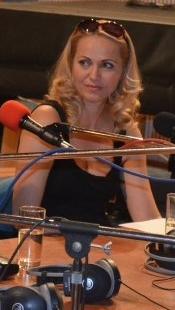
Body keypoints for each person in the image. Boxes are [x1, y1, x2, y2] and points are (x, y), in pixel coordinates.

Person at [12, 18, 160, 225]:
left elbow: (148, 220)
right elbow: (23, 218)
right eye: (84, 62)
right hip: (48, 240)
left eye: (107, 65)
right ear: (71, 65)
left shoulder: (126, 132)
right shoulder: (47, 121)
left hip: (101, 243)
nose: (94, 75)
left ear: (122, 72)